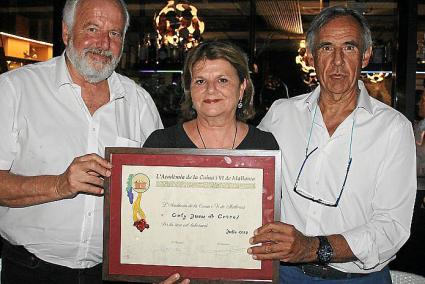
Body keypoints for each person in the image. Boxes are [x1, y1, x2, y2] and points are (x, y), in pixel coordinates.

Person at [0, 0, 174, 283]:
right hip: (30, 270)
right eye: (92, 28)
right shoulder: (14, 89)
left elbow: (161, 192)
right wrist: (59, 184)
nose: (103, 43)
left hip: (113, 273)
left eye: (115, 33)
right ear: (67, 32)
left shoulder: (139, 102)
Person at [250, 6, 416, 283]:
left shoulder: (393, 128)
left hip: (358, 279)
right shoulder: (281, 113)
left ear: (366, 55)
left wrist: (313, 247)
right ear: (311, 56)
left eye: (349, 47)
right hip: (284, 274)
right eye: (327, 48)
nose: (337, 62)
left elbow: (391, 227)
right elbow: (251, 179)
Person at [143, 40, 279, 151]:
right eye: (200, 81)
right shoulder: (161, 144)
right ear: (189, 89)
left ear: (242, 87)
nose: (211, 90)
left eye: (222, 80)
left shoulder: (264, 145)